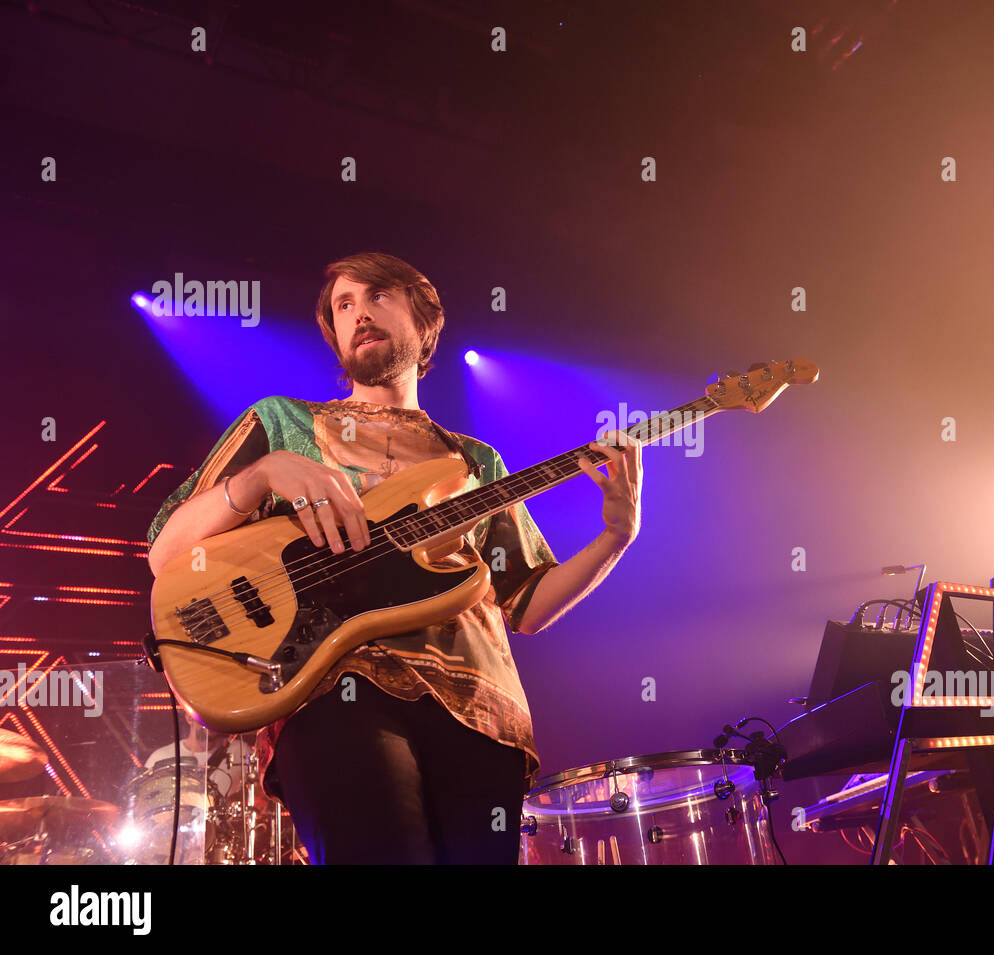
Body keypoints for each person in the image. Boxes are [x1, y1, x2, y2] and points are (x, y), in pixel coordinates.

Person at [146, 251, 642, 864]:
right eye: (343, 306)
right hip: (336, 685)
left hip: (481, 710)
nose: (359, 314)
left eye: (378, 295)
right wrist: (259, 477)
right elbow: (168, 549)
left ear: (424, 318)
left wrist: (614, 538)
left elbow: (529, 605)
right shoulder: (282, 423)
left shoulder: (473, 463)